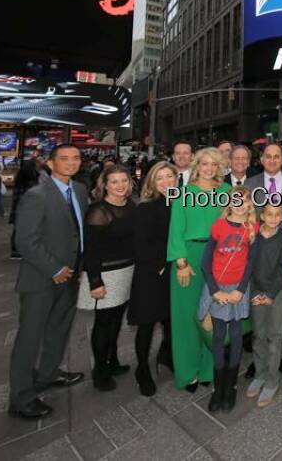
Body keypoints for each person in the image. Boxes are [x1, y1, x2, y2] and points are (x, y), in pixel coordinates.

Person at [8, 144, 87, 419]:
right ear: (51, 164)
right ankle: (21, 397)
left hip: (72, 276)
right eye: (63, 159)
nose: (71, 162)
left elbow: (79, 233)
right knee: (29, 338)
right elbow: (25, 241)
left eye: (75, 158)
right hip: (42, 279)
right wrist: (55, 269)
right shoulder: (37, 195)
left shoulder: (79, 191)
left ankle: (49, 372)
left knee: (59, 330)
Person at [168, 147, 228, 392]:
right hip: (189, 259)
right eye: (205, 163)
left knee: (212, 316)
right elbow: (175, 230)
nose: (209, 168)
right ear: (197, 165)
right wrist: (180, 262)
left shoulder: (226, 192)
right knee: (185, 317)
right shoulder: (183, 193)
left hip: (219, 258)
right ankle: (187, 372)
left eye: (214, 164)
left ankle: (207, 370)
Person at [77, 164, 137, 391]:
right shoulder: (98, 211)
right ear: (105, 185)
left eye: (124, 181)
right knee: (104, 323)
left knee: (115, 322)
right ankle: (100, 370)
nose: (120, 185)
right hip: (105, 274)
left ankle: (112, 361)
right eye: (115, 182)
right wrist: (95, 281)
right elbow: (91, 250)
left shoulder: (131, 206)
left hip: (127, 271)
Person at [199, 186, 257, 413]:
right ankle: (218, 388)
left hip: (238, 290)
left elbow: (251, 262)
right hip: (218, 289)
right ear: (229, 202)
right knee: (218, 335)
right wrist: (215, 291)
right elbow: (205, 262)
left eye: (244, 201)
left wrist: (240, 290)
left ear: (249, 204)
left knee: (235, 335)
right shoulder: (219, 226)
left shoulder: (252, 228)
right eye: (235, 200)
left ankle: (231, 385)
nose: (239, 204)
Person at [128, 161, 176, 397]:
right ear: (152, 182)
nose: (166, 182)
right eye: (161, 178)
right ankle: (143, 369)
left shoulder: (181, 203)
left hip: (174, 271)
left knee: (170, 320)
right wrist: (160, 265)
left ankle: (167, 356)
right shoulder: (145, 208)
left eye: (170, 177)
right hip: (152, 273)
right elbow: (141, 244)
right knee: (146, 325)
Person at [247, 200, 282, 407]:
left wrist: (270, 293)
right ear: (261, 216)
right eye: (269, 214)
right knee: (259, 336)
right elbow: (248, 266)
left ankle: (272, 380)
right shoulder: (253, 237)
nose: (273, 218)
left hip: (276, 294)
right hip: (256, 293)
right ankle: (260, 374)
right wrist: (255, 292)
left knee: (275, 336)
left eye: (277, 214)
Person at [245, 143, 282, 216]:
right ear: (262, 160)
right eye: (268, 157)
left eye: (276, 157)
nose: (272, 160)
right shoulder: (249, 184)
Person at [9, 161, 43, 260]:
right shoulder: (31, 184)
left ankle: (16, 251)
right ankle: (21, 251)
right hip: (28, 210)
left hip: (19, 209)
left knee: (18, 230)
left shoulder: (20, 181)